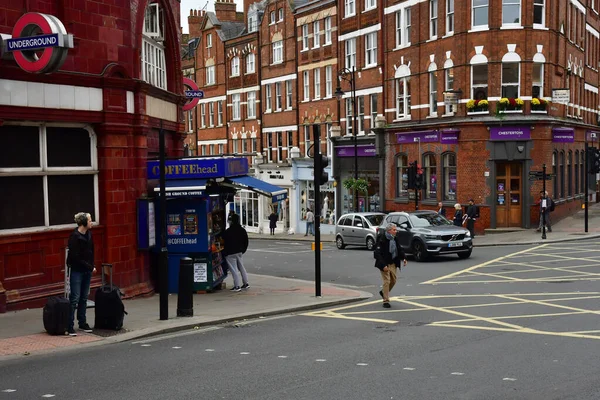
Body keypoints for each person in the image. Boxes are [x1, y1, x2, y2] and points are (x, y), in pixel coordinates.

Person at [66, 212, 96, 336]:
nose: (91, 222)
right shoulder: (74, 237)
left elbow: (91, 252)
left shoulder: (89, 234)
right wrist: (90, 266)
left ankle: (82, 322)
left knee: (84, 297)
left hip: (87, 270)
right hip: (77, 271)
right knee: (75, 298)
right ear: (83, 223)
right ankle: (69, 325)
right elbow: (75, 257)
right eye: (89, 220)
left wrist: (91, 265)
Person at [374, 223, 407, 308]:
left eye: (396, 230)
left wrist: (404, 258)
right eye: (394, 230)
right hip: (384, 263)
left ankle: (383, 292)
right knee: (387, 281)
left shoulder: (395, 239)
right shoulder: (382, 239)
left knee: (393, 281)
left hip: (393, 262)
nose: (396, 231)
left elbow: (399, 249)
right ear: (389, 231)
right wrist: (383, 265)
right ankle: (386, 301)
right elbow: (377, 253)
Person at [222, 213, 250, 292]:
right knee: (241, 267)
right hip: (239, 251)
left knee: (234, 270)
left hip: (230, 252)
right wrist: (243, 250)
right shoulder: (242, 230)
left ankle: (237, 286)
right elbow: (246, 241)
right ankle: (246, 283)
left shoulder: (228, 231)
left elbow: (223, 239)